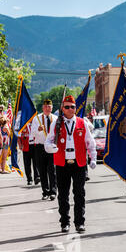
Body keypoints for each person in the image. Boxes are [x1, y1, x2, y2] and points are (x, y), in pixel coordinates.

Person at [45, 95, 97, 233]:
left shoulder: (82, 123)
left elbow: (90, 143)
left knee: (79, 193)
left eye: (72, 107)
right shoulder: (56, 124)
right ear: (62, 108)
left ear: (75, 108)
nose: (69, 109)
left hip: (78, 163)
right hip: (62, 163)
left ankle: (80, 222)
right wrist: (51, 148)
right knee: (63, 194)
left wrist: (93, 158)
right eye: (67, 107)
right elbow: (48, 141)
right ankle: (65, 222)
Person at [31, 99, 58, 200]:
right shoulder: (37, 119)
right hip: (40, 147)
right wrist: (38, 130)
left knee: (52, 169)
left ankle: (53, 191)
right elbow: (32, 133)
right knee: (42, 170)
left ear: (52, 108)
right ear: (43, 107)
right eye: (46, 106)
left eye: (49, 107)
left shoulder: (55, 118)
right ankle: (45, 191)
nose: (47, 108)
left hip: (51, 146)